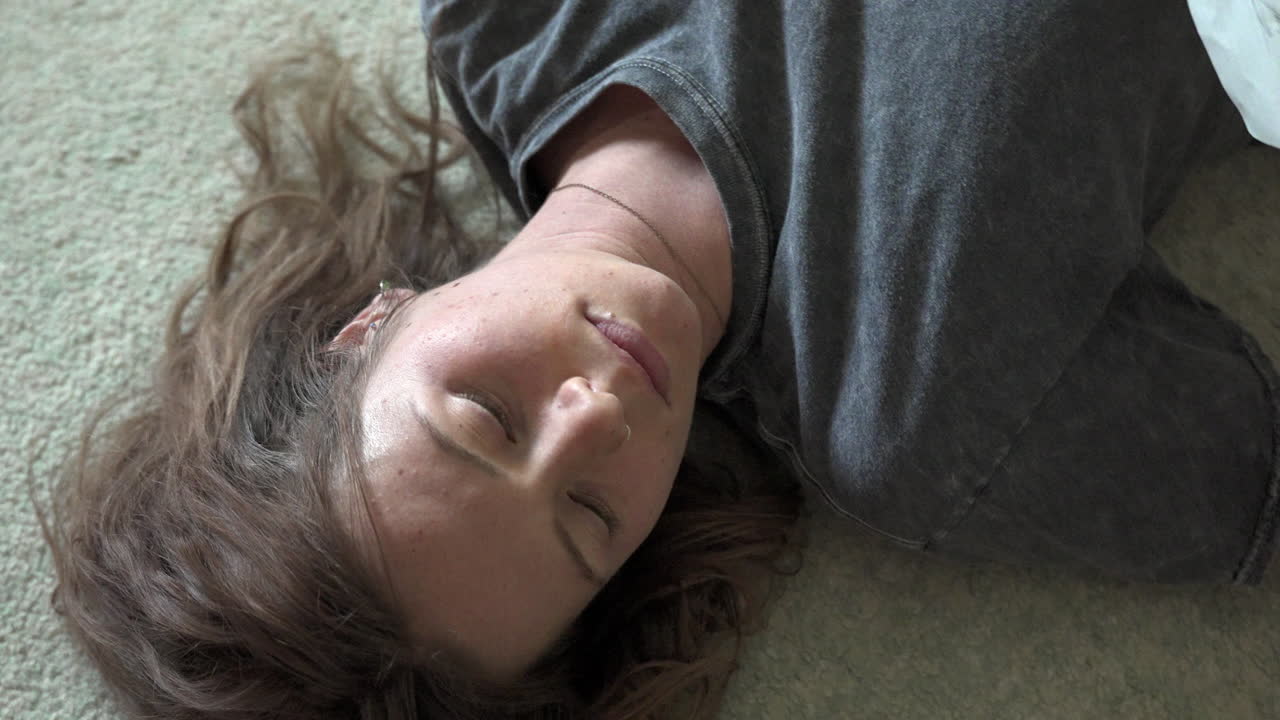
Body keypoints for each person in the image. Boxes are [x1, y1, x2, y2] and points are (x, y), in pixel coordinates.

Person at [40, 0, 1278, 718]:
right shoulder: (925, 410)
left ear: (362, 328)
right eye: (585, 518)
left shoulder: (504, 22)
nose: (594, 421)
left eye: (480, 418)